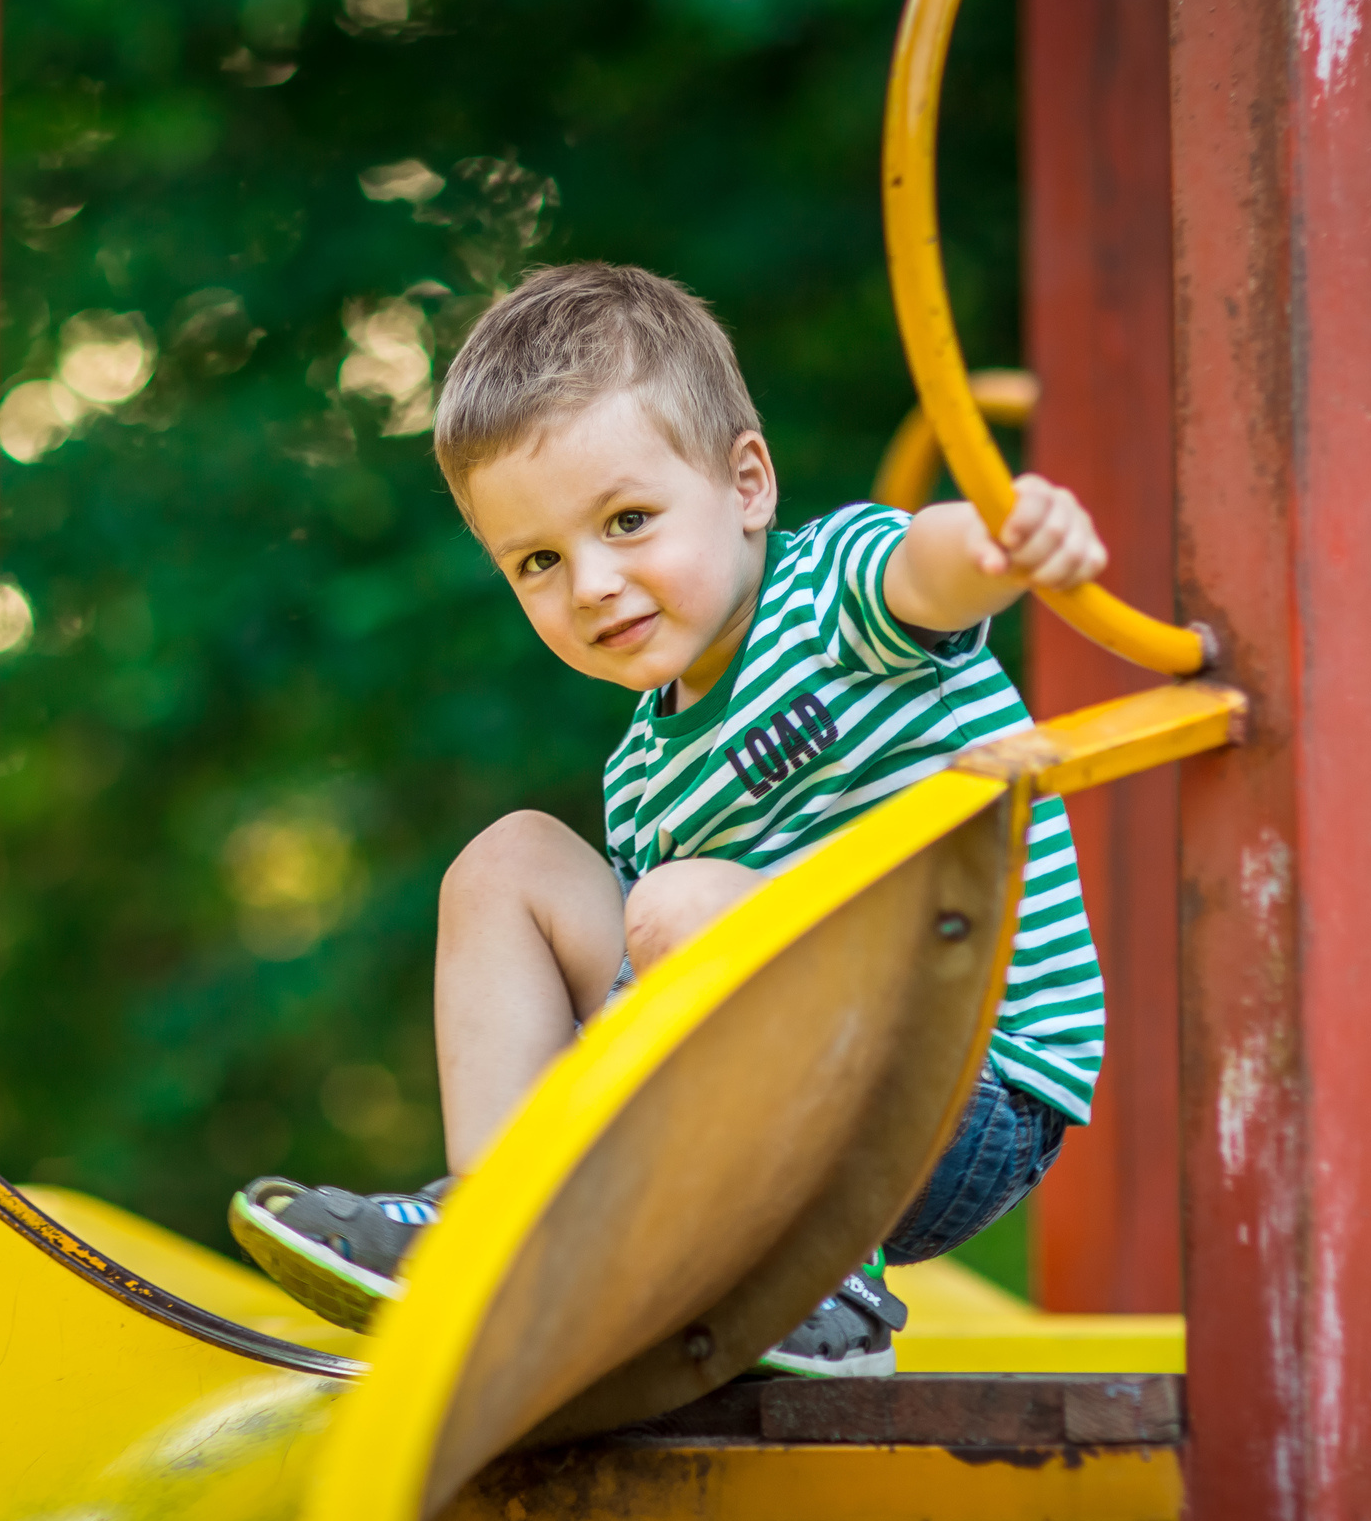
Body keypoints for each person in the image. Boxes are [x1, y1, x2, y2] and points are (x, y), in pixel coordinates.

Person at [230, 262, 1107, 1376]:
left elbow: (924, 574)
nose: (590, 582)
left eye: (628, 520)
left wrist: (994, 546)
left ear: (746, 485)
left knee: (682, 902)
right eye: (538, 561)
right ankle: (505, 1221)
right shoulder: (644, 769)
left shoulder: (828, 593)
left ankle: (823, 1278)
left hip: (961, 1091)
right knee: (512, 862)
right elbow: (654, 1012)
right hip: (777, 1081)